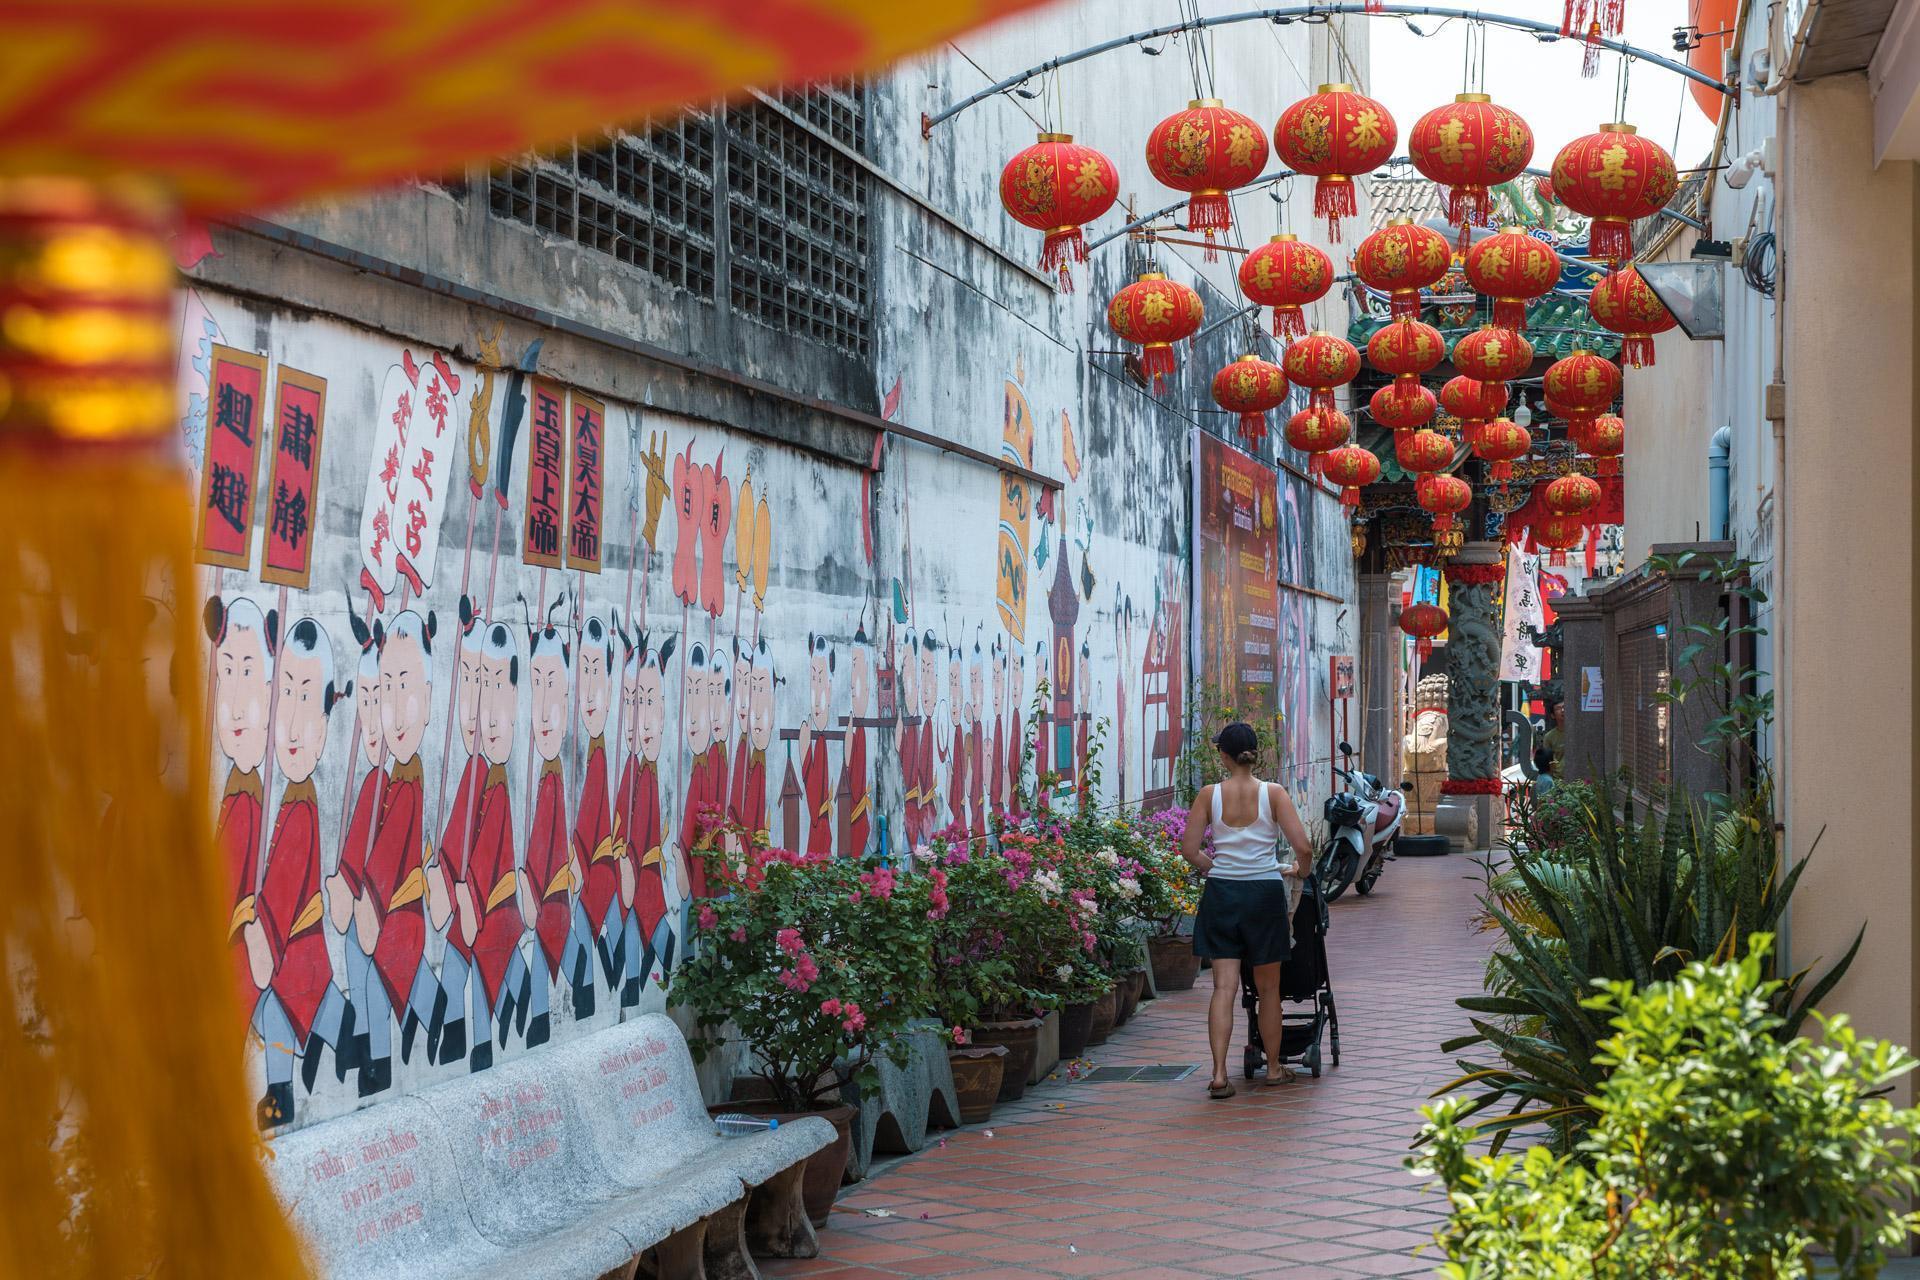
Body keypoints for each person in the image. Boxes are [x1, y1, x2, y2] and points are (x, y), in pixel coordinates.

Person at [1180, 723, 1313, 1099]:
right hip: (1265, 895)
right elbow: (1303, 847)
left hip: (1222, 894)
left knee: (1224, 987)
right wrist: (1300, 872)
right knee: (1269, 990)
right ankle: (1273, 1068)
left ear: (1223, 755)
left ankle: (1220, 1074)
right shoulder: (1274, 794)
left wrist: (1216, 868)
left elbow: (1190, 849)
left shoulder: (1209, 795)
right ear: (1255, 753)